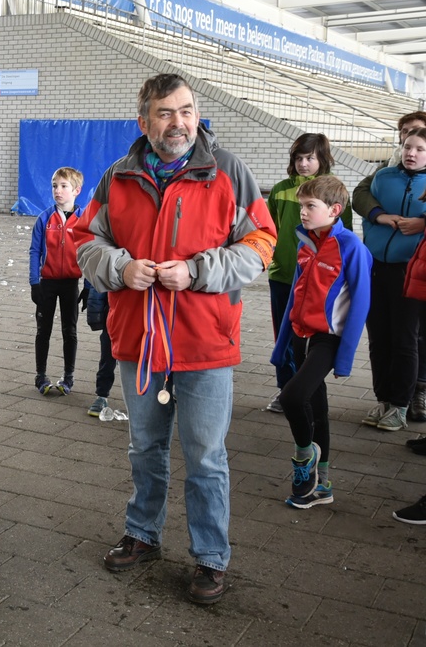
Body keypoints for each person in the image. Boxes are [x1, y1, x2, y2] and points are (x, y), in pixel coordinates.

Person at [75, 73, 276, 605]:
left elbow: (261, 243)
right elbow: (85, 241)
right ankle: (142, 534)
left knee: (206, 456)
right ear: (144, 121)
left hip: (205, 343)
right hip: (140, 342)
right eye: (165, 113)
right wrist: (120, 267)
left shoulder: (228, 171)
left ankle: (211, 556)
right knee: (145, 447)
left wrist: (198, 271)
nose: (178, 123)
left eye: (186, 111)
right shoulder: (118, 176)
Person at [270, 176, 371, 509]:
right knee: (316, 408)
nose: (303, 212)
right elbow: (293, 298)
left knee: (292, 397)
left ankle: (305, 456)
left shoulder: (351, 247)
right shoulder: (306, 244)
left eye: (310, 206)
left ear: (334, 210)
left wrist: (345, 359)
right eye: (302, 205)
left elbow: (361, 304)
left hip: (328, 340)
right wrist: (281, 345)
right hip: (301, 335)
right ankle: (321, 486)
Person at [264, 134, 352, 413]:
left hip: (319, 282)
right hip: (282, 276)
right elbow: (268, 231)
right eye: (298, 158)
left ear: (322, 159)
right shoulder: (280, 190)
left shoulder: (335, 192)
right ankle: (285, 389)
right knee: (284, 335)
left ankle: (306, 389)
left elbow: (344, 237)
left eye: (310, 158)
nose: (303, 163)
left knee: (312, 341)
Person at [353, 111, 426, 423]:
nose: (411, 153)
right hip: (375, 268)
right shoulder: (383, 177)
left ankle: (400, 404)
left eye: (420, 149)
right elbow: (360, 199)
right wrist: (380, 216)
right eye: (407, 146)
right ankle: (383, 399)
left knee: (405, 340)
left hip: (410, 272)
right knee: (379, 338)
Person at [30, 167, 86, 395]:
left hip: (71, 285)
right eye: (54, 186)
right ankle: (41, 375)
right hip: (47, 284)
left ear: (76, 190)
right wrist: (34, 283)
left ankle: (68, 377)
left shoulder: (84, 221)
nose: (58, 191)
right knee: (43, 331)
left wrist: (89, 286)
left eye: (63, 186)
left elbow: (90, 254)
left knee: (69, 331)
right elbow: (34, 251)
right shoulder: (44, 219)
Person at [84, 286, 117, 417]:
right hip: (114, 310)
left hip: (147, 310)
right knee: (107, 355)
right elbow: (99, 281)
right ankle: (102, 395)